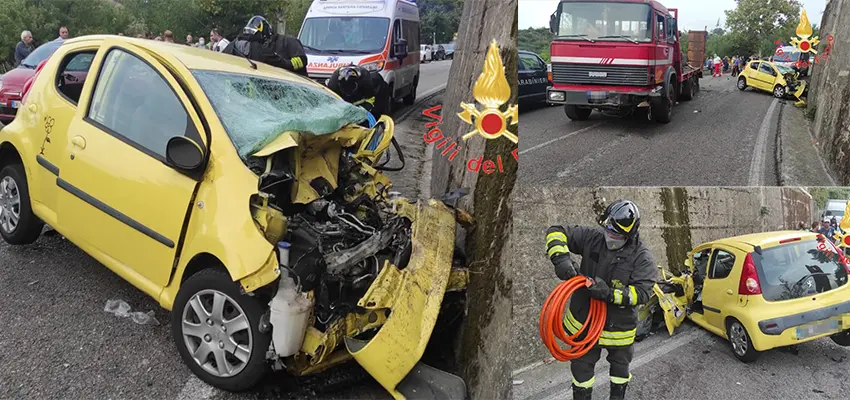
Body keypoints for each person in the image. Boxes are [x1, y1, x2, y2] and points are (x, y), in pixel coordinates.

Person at [546, 200, 658, 400]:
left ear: (629, 236)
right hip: (584, 325)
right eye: (608, 230)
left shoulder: (643, 258)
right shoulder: (593, 238)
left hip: (619, 330)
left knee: (620, 372)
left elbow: (641, 293)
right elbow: (557, 230)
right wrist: (560, 258)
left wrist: (608, 293)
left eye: (616, 235)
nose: (609, 237)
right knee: (581, 373)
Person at [223, 16, 308, 77]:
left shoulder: (289, 42)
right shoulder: (261, 48)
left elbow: (302, 60)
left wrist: (287, 64)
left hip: (295, 81)